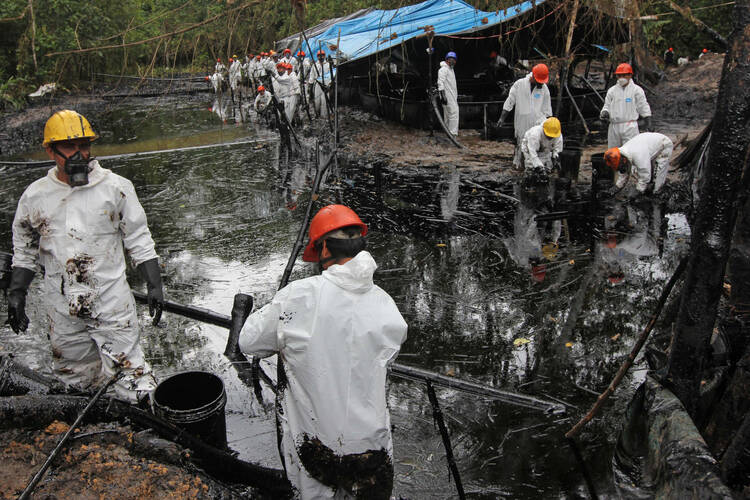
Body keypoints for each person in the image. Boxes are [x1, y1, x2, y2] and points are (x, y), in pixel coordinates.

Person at [239, 204, 408, 499]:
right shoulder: (386, 305)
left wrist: (276, 305)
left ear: (324, 248)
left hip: (317, 447)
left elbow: (249, 342)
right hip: (374, 447)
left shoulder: (298, 296)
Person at [7, 110, 163, 404]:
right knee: (75, 380)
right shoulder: (35, 197)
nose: (79, 154)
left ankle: (145, 425)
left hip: (110, 300)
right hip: (62, 304)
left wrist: (154, 284)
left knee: (132, 377)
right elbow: (25, 250)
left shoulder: (115, 188)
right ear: (51, 151)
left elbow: (139, 239)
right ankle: (95, 432)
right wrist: (17, 294)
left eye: (84, 145)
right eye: (70, 147)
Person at [497, 63, 552, 169]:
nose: (541, 84)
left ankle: (535, 169)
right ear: (533, 77)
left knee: (536, 149)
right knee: (521, 146)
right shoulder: (519, 85)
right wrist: (502, 118)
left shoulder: (544, 89)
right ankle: (519, 166)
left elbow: (547, 111)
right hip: (521, 124)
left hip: (537, 125)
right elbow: (510, 102)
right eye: (539, 81)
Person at [599, 63, 652, 149]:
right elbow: (607, 106)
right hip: (614, 127)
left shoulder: (636, 90)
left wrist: (648, 121)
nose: (621, 78)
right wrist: (605, 112)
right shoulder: (612, 91)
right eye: (619, 76)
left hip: (630, 127)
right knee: (613, 153)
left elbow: (643, 106)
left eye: (624, 75)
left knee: (630, 152)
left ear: (630, 75)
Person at [604, 132, 674, 196]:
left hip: (664, 144)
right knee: (644, 174)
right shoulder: (622, 154)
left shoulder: (638, 156)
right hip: (648, 146)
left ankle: (657, 193)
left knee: (658, 177)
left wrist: (637, 192)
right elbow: (624, 172)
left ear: (624, 160)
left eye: (620, 167)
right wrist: (615, 188)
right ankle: (650, 188)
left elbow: (645, 176)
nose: (621, 169)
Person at [437, 51, 459, 136]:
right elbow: (440, 82)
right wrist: (443, 95)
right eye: (451, 59)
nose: (453, 61)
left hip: (451, 96)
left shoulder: (450, 69)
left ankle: (447, 132)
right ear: (447, 59)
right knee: (454, 113)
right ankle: (452, 133)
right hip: (447, 96)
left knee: (448, 114)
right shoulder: (444, 69)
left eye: (454, 60)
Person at [308, 49, 331, 118]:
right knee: (317, 101)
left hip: (325, 84)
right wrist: (310, 86)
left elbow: (331, 76)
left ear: (324, 56)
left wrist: (329, 85)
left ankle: (324, 116)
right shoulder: (315, 65)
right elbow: (311, 76)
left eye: (322, 55)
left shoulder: (328, 64)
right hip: (317, 84)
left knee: (324, 101)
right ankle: (317, 115)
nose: (321, 57)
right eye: (319, 56)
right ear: (317, 57)